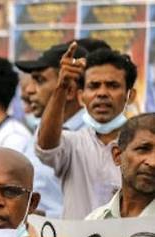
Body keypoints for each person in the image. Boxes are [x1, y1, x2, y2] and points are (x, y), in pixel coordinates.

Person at [36, 43, 137, 219]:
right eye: (94, 86)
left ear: (130, 95)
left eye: (112, 85)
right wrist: (61, 87)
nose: (102, 93)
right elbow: (46, 146)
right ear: (81, 95)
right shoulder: (72, 143)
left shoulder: (143, 146)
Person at [16, 43, 89, 219]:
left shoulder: (91, 138)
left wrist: (45, 217)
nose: (29, 90)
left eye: (40, 80)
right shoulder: (38, 130)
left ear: (69, 90)